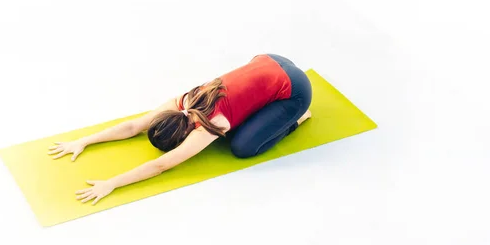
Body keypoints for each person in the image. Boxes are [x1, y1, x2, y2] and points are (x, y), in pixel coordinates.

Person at [48, 54, 313, 205]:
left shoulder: (209, 126)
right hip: (271, 58)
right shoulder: (184, 102)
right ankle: (267, 108)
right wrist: (83, 141)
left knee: (242, 147)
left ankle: (297, 118)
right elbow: (134, 126)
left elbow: (161, 166)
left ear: (186, 134)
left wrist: (112, 184)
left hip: (296, 89)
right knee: (235, 123)